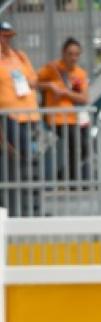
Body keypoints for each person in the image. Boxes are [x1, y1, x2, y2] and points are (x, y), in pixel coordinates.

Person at [0, 20, 41, 214]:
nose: (6, 40)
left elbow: (33, 81)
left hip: (30, 115)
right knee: (21, 159)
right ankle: (22, 208)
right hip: (10, 115)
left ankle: (31, 206)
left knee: (29, 160)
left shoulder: (20, 56)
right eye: (3, 35)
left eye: (9, 36)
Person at [37, 37, 89, 182]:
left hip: (74, 117)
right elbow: (34, 83)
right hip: (56, 117)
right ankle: (71, 180)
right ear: (63, 53)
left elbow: (84, 98)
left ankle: (64, 177)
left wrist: (66, 93)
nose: (73, 57)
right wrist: (49, 86)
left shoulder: (80, 73)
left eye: (77, 54)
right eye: (70, 54)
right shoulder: (52, 68)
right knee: (75, 144)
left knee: (83, 148)